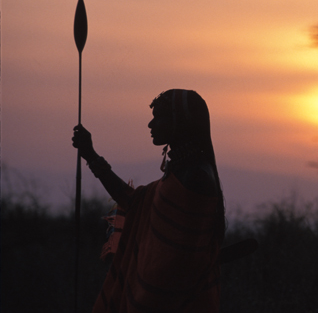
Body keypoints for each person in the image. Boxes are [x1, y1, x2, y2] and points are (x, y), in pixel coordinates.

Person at [73, 89, 225, 313]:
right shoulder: (179, 172)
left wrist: (146, 297)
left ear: (180, 121)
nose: (150, 124)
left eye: (159, 117)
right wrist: (91, 155)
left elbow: (178, 265)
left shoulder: (195, 179)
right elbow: (133, 201)